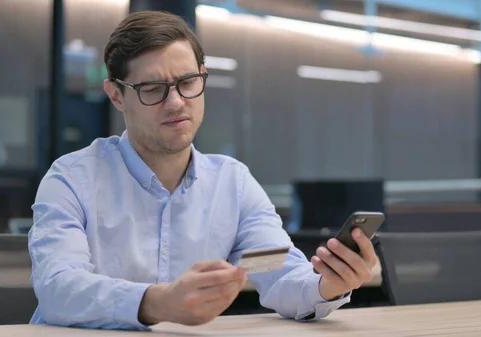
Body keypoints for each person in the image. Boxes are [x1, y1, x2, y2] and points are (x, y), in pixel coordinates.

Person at [28, 10, 378, 331]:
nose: (177, 102)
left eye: (188, 82)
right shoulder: (72, 179)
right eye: (153, 89)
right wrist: (156, 302)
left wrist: (327, 285)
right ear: (116, 96)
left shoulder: (232, 184)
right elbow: (58, 288)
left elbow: (279, 274)